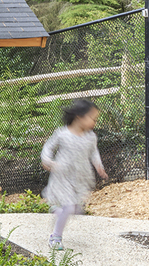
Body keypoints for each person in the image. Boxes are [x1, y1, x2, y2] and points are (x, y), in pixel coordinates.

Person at [41, 99, 107, 251]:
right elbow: (48, 147)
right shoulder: (62, 134)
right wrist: (47, 160)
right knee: (69, 208)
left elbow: (93, 152)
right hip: (62, 174)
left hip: (80, 177)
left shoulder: (91, 137)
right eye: (92, 118)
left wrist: (98, 165)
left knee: (75, 210)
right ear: (79, 117)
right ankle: (55, 237)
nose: (94, 122)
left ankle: (58, 211)